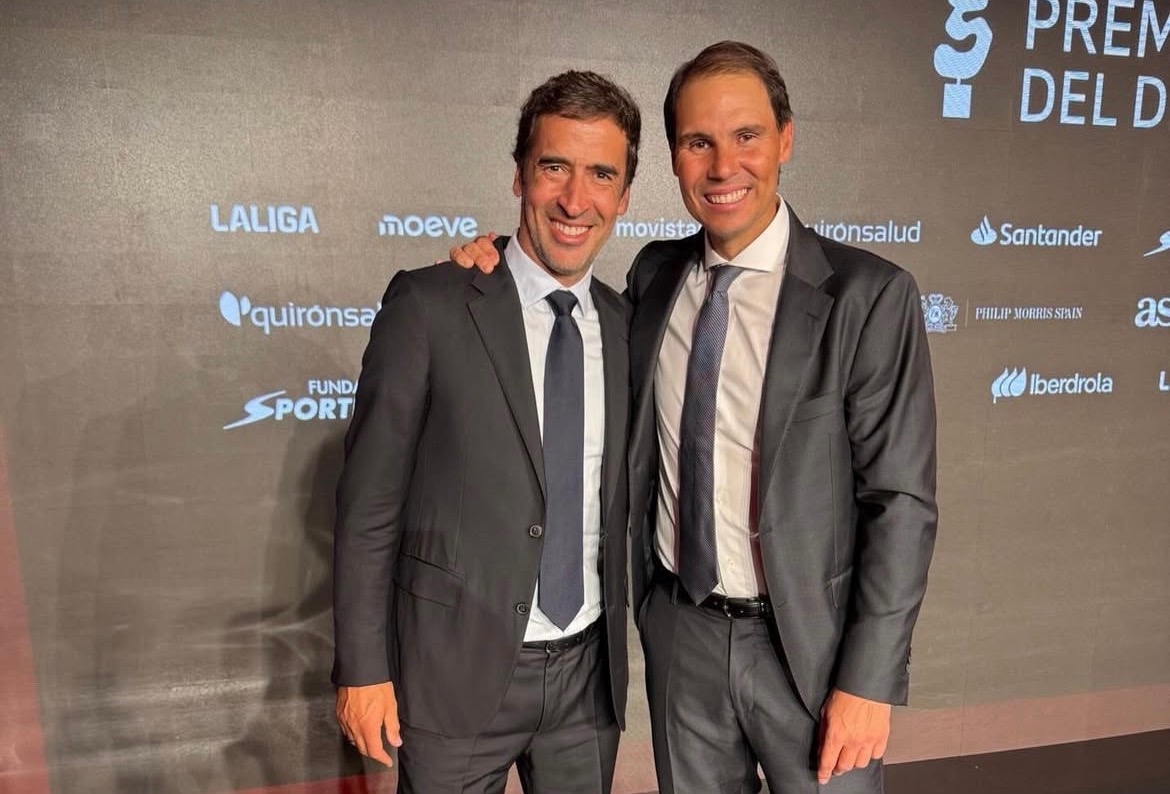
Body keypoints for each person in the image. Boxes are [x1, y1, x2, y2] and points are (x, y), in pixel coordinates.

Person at [450, 41, 938, 794]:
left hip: (814, 653)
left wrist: (869, 681)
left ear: (786, 139)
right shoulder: (655, 276)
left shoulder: (868, 296)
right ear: (675, 159)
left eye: (746, 136)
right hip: (683, 635)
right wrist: (487, 268)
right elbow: (554, 313)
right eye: (698, 142)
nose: (722, 166)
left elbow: (900, 502)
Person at [332, 70, 639, 793]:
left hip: (587, 682)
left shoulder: (630, 326)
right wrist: (363, 669)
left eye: (601, 174)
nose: (575, 200)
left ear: (624, 196)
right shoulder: (430, 306)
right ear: (519, 176)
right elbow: (369, 505)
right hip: (452, 672)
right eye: (554, 167)